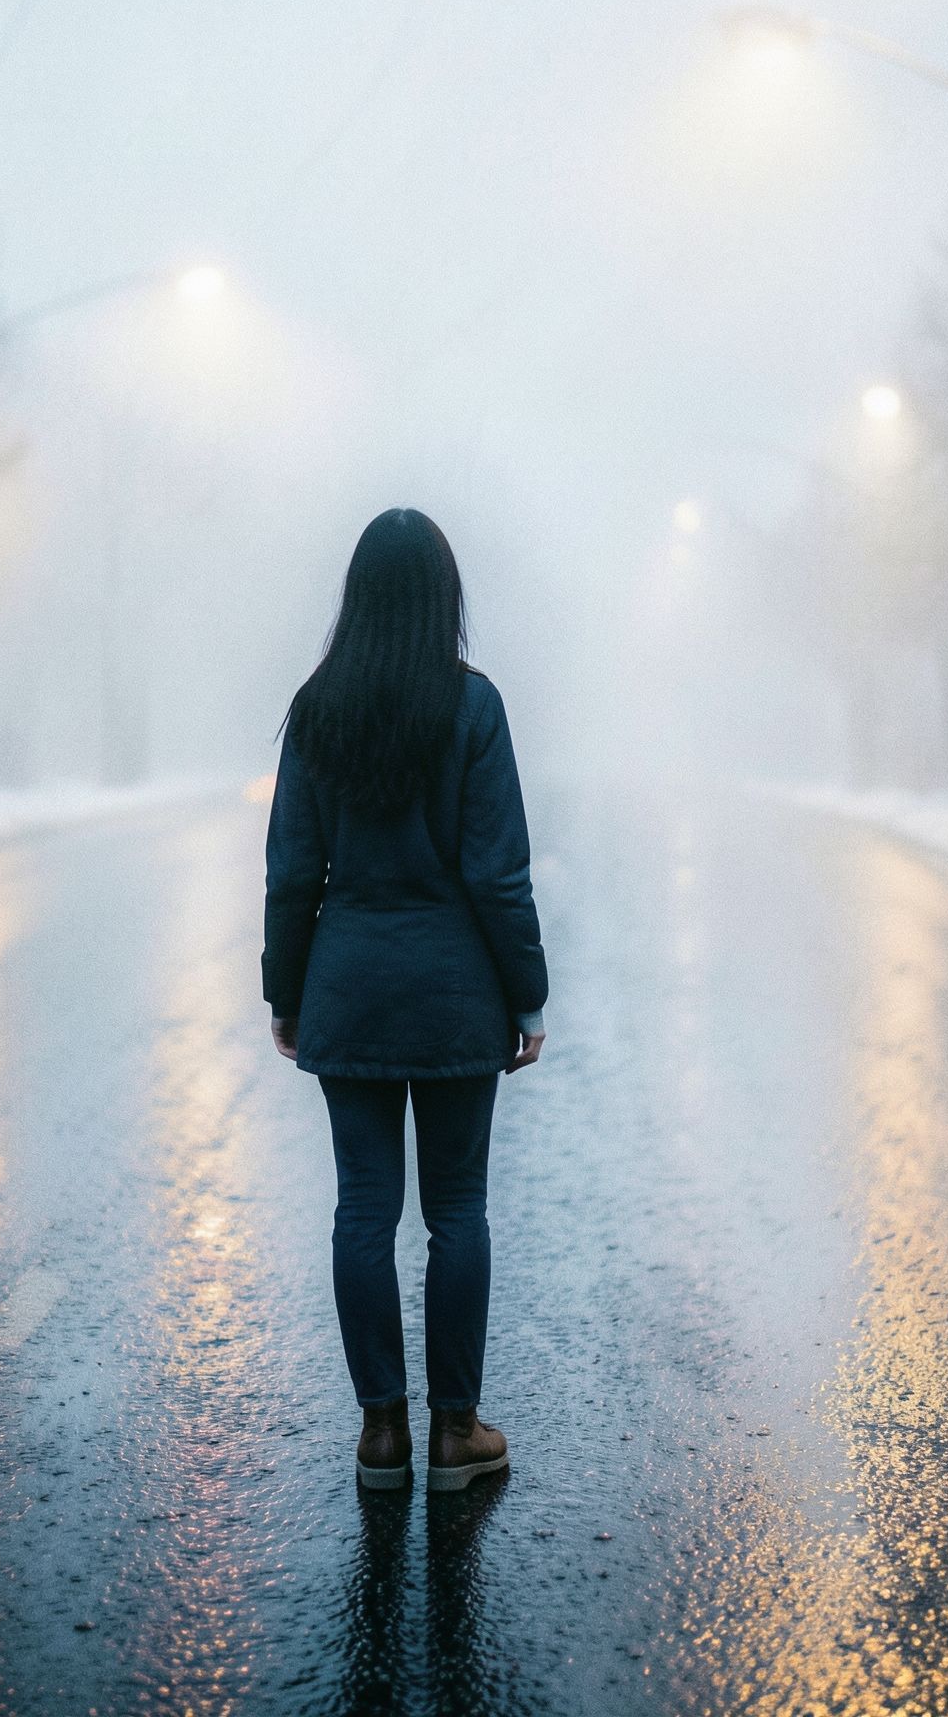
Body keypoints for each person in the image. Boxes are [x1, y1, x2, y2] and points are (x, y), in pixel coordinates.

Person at [263, 509, 548, 1494]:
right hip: (456, 996)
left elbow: (291, 873)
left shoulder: (317, 709)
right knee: (456, 1207)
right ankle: (455, 1433)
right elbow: (498, 873)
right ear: (442, 596)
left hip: (348, 992)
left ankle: (380, 1433)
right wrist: (527, 995)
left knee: (364, 1207)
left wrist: (286, 992)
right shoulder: (473, 708)